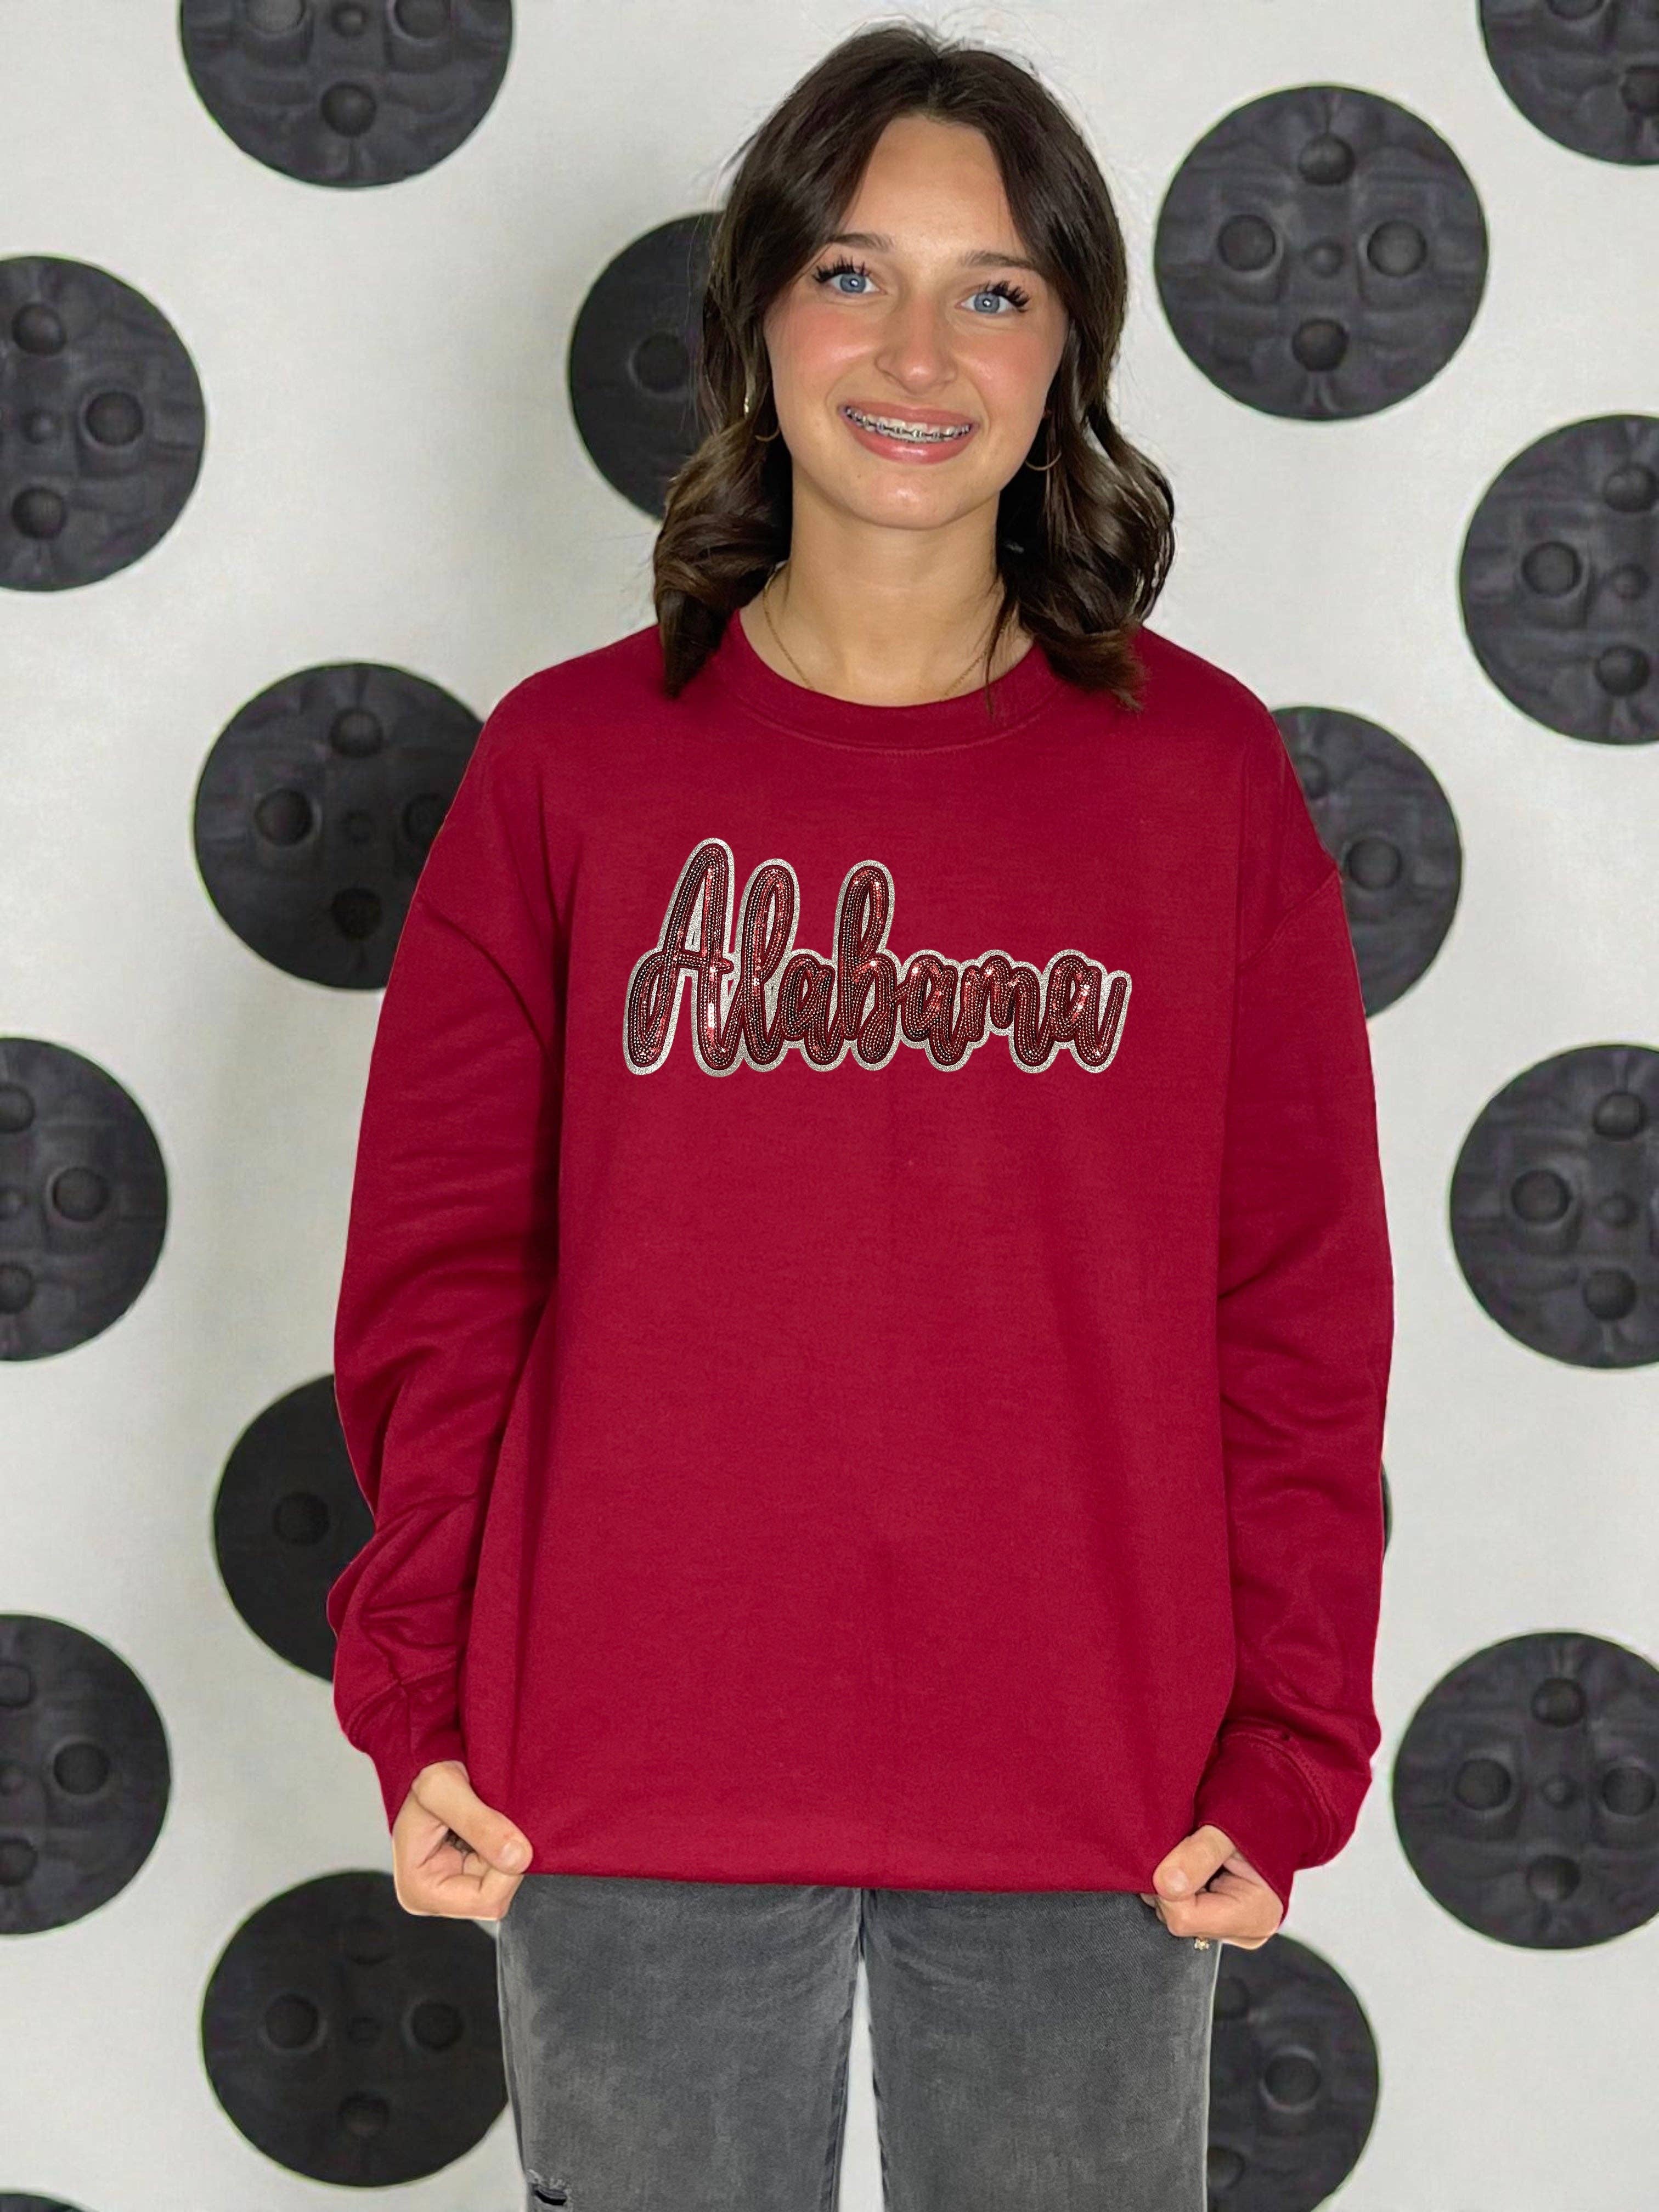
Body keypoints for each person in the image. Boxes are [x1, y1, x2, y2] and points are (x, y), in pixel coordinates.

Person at [324, 21, 1393, 2206]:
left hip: (1102, 1798)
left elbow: (1294, 1309)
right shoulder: (570, 772)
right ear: (757, 316)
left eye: (993, 289)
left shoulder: (1199, 781)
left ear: (1069, 348)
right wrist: (418, 1698)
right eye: (853, 275)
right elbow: (444, 1286)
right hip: (622, 1782)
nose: (919, 353)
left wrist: (1291, 1737)